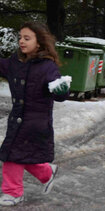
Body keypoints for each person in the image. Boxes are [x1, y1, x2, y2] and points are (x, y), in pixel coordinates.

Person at [0, 21, 70, 206]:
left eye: (27, 38)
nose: (21, 41)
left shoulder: (47, 66)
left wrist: (61, 89)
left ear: (38, 42)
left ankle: (13, 193)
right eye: (20, 37)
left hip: (36, 121)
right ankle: (47, 172)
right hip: (17, 119)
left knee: (12, 154)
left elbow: (59, 92)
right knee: (22, 153)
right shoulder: (14, 63)